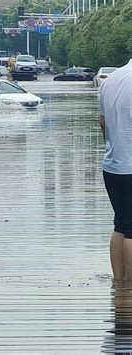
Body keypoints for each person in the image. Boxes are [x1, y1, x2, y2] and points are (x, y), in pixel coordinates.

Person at [99, 58, 132, 281]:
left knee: (121, 225)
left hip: (113, 166)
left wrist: (114, 147)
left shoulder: (110, 79)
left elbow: (102, 122)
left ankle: (119, 286)